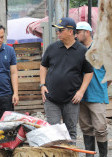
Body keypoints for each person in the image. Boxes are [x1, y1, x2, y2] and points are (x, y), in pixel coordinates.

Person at [40, 17, 94, 145]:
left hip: (71, 99)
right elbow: (43, 66)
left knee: (71, 131)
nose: (57, 33)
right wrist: (42, 84)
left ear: (71, 32)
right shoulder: (52, 48)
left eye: (61, 30)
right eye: (57, 31)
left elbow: (89, 72)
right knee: (53, 131)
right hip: (51, 97)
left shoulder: (82, 51)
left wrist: (81, 91)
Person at [76, 21, 109, 157]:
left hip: (97, 95)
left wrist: (101, 87)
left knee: (101, 129)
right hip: (81, 96)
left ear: (87, 32)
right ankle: (89, 155)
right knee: (86, 128)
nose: (76, 35)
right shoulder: (77, 50)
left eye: (78, 32)